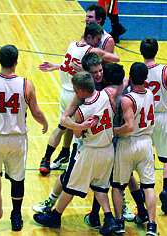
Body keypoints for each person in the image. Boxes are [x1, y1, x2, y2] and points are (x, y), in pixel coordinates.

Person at [34, 70, 125, 235]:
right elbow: (122, 83)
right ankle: (109, 219)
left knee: (70, 186)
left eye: (76, 89)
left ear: (82, 91)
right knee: (100, 187)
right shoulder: (107, 96)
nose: (74, 92)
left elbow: (77, 135)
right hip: (108, 150)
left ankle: (55, 216)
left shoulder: (81, 111)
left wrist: (80, 126)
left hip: (90, 151)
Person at [0, 45, 48, 231]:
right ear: (16, 61)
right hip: (17, 139)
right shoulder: (27, 85)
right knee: (18, 179)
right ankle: (16, 215)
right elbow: (36, 112)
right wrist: (45, 123)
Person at [38, 22, 120, 173]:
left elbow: (66, 65)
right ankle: (64, 162)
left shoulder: (72, 44)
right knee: (69, 127)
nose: (98, 43)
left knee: (66, 126)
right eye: (97, 39)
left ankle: (59, 155)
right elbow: (116, 58)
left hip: (65, 90)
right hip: (77, 93)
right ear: (89, 37)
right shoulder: (92, 50)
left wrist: (56, 66)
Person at [111, 62, 158, 235]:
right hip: (146, 143)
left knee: (117, 186)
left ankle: (119, 222)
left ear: (129, 77)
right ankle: (152, 226)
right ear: (146, 78)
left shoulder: (126, 99)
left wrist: (113, 131)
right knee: (149, 186)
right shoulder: (151, 93)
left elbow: (129, 126)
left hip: (128, 142)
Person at [140, 37, 167, 214]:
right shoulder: (165, 70)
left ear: (141, 52)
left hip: (145, 117)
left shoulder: (138, 70)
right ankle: (166, 189)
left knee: (146, 157)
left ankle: (145, 190)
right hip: (164, 117)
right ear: (156, 51)